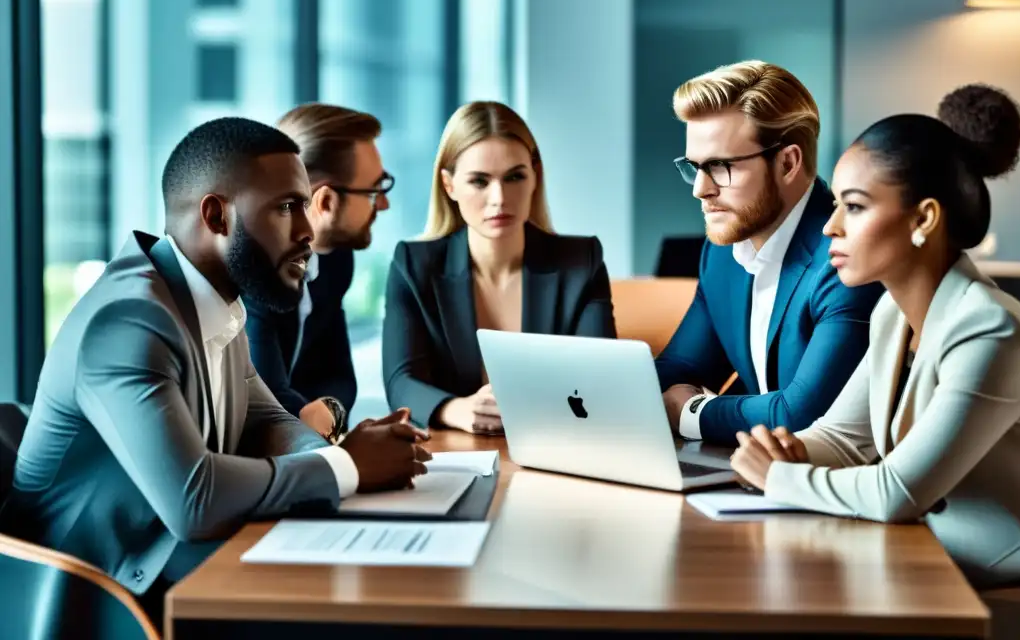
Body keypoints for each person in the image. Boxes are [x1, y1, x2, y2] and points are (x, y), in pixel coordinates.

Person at [1, 118, 430, 619]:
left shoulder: (214, 300)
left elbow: (264, 422)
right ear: (216, 216)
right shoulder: (127, 322)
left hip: (161, 559)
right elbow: (194, 501)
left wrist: (345, 457)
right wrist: (346, 466)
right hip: (87, 595)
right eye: (287, 207)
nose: (309, 229)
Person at [730, 84, 1020, 588]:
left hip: (992, 573)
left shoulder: (989, 327)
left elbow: (894, 493)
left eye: (856, 207)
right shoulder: (892, 311)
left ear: (924, 219)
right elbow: (844, 440)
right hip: (919, 553)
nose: (830, 227)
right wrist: (782, 448)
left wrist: (776, 476)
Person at [657, 60, 883, 445]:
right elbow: (680, 368)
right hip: (753, 475)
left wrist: (693, 413)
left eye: (721, 166)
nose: (700, 189)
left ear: (787, 162)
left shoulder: (846, 258)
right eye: (694, 167)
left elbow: (802, 414)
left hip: (835, 490)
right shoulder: (722, 253)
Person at [382, 101, 617, 432]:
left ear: (535, 175)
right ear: (449, 185)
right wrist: (457, 409)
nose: (499, 198)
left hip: (557, 445)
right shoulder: (413, 265)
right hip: (455, 456)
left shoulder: (582, 262)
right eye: (479, 181)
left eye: (514, 177)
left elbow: (600, 376)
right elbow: (401, 383)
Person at [246, 104, 393, 442]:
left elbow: (339, 379)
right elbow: (266, 403)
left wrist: (328, 413)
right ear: (325, 202)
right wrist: (309, 418)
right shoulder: (253, 271)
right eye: (374, 191)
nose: (383, 205)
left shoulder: (336, 258)